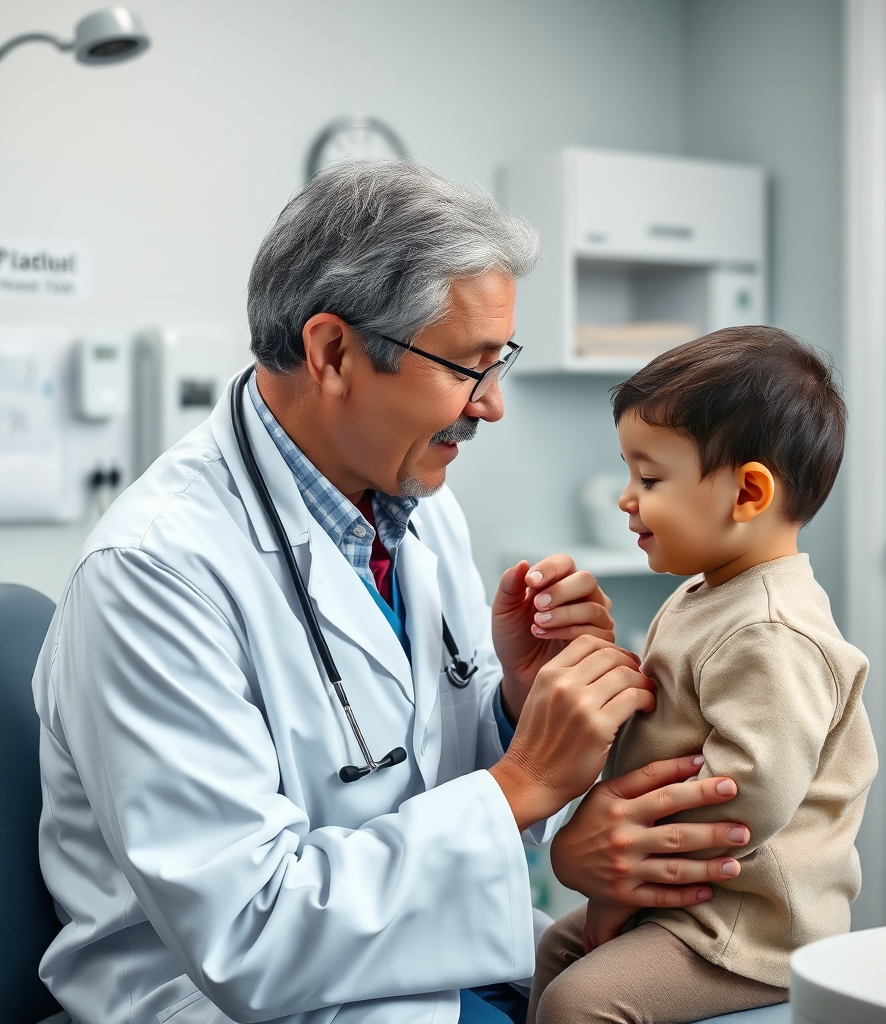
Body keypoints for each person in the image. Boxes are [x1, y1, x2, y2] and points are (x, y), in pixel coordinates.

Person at [31, 162, 753, 1024]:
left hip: (417, 967)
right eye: (467, 369)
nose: (491, 407)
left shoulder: (410, 500)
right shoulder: (152, 574)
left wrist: (516, 703)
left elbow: (414, 771)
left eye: (501, 363)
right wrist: (524, 781)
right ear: (332, 352)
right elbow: (246, 931)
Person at [529, 327, 879, 1024]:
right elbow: (677, 719)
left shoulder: (771, 629)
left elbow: (747, 795)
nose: (628, 498)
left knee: (577, 1003)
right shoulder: (708, 592)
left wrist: (620, 890)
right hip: (689, 906)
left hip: (748, 926)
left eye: (650, 478)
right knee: (544, 953)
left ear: (747, 492)